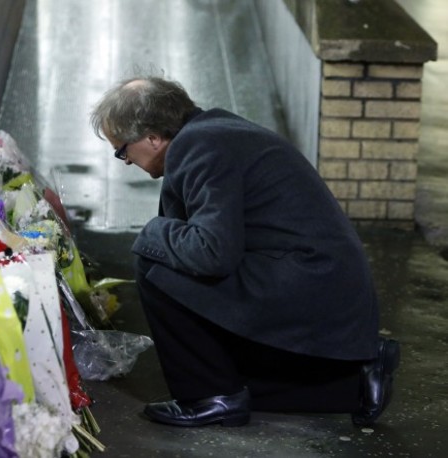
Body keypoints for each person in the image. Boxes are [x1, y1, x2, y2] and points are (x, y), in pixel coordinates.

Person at [90, 76, 400, 428]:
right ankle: (354, 383)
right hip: (320, 281)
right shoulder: (209, 132)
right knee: (238, 380)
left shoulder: (200, 148)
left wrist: (153, 232)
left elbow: (212, 253)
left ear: (152, 137)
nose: (125, 161)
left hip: (312, 283)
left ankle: (211, 397)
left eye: (122, 150)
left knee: (154, 260)